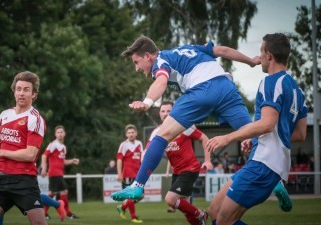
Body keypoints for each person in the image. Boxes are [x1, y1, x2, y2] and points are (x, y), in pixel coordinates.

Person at [111, 35, 259, 202]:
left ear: (147, 56)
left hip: (202, 90)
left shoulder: (160, 59)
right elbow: (222, 50)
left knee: (161, 136)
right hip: (227, 89)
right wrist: (251, 61)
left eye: (136, 62)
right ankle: (271, 178)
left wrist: (146, 102)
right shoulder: (190, 48)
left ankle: (137, 186)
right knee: (253, 133)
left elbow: (161, 82)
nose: (137, 68)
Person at [205, 33, 308, 225]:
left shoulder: (271, 82)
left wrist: (227, 138)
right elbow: (299, 134)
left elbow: (267, 124)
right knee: (214, 211)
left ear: (269, 55)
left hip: (264, 164)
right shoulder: (297, 90)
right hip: (267, 163)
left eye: (261, 51)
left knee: (223, 221)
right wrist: (254, 139)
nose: (259, 57)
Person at [0, 71, 47, 225]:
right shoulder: (4, 115)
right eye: (18, 89)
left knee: (39, 223)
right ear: (14, 91)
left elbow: (30, 154)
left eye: (26, 90)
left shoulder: (35, 119)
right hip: (2, 179)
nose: (21, 93)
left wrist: (1, 152)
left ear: (34, 94)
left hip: (24, 180)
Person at [148, 101, 213, 225]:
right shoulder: (158, 132)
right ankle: (199, 221)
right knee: (186, 208)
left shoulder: (184, 126)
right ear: (159, 114)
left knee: (170, 199)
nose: (166, 114)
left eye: (169, 111)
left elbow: (204, 139)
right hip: (177, 171)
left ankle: (201, 214)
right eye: (163, 111)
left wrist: (208, 160)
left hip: (190, 169)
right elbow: (148, 150)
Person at [40, 125, 80, 220]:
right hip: (54, 173)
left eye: (61, 132)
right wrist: (44, 169)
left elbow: (63, 161)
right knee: (64, 191)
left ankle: (43, 213)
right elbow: (44, 156)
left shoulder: (63, 147)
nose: (60, 134)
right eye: (58, 132)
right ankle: (68, 213)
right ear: (55, 134)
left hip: (58, 173)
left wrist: (72, 161)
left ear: (64, 134)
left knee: (52, 193)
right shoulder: (53, 144)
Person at [115, 124, 144, 223]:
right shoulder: (124, 145)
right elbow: (119, 159)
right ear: (126, 134)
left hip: (138, 174)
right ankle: (133, 217)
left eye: (132, 132)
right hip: (128, 174)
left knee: (140, 196)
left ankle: (122, 207)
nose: (131, 134)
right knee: (131, 196)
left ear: (136, 133)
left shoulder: (139, 143)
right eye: (129, 133)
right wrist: (119, 173)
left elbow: (141, 159)